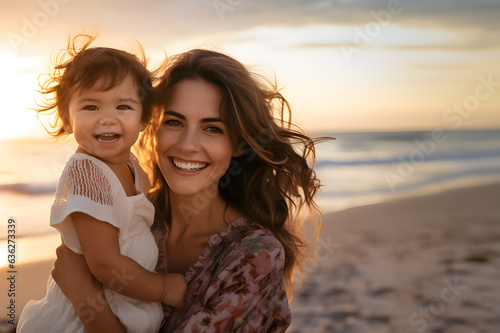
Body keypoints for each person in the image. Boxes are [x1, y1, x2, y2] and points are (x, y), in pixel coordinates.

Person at [51, 48, 326, 332]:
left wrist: (85, 296)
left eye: (212, 129)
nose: (187, 145)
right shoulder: (133, 213)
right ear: (153, 126)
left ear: (239, 144)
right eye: (174, 122)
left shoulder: (255, 255)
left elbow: (83, 281)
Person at [17, 35, 186, 333]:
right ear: (66, 119)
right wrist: (162, 288)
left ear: (143, 117)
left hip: (123, 302)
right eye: (91, 107)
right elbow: (105, 265)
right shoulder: (88, 174)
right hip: (89, 315)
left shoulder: (132, 166)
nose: (107, 119)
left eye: (122, 107)